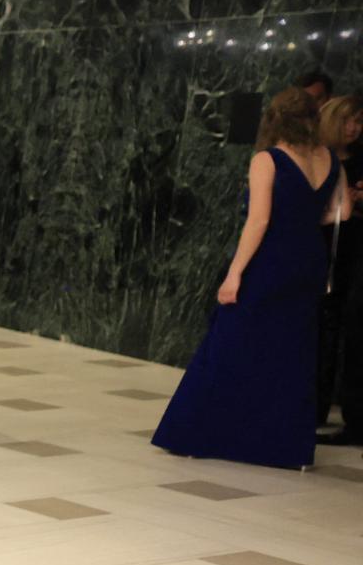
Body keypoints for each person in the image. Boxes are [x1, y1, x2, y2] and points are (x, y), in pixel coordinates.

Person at [154, 86, 349, 470]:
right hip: (308, 258)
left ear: (275, 119)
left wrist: (235, 273)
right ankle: (284, 446)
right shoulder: (329, 158)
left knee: (232, 341)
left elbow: (258, 220)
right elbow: (338, 213)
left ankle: (205, 434)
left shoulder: (268, 159)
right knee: (291, 351)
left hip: (270, 259)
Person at [315, 94, 363, 446]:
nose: (353, 128)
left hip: (354, 254)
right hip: (324, 251)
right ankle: (314, 405)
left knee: (351, 329)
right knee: (322, 329)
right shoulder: (319, 159)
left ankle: (353, 417)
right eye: (347, 120)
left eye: (358, 122)